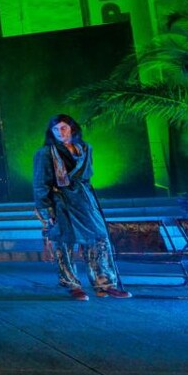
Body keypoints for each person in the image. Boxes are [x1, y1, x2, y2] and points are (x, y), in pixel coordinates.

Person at [33, 114, 129, 300]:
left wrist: (90, 200)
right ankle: (73, 285)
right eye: (55, 129)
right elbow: (40, 183)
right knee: (64, 244)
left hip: (84, 201)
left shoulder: (85, 148)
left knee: (99, 239)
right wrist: (46, 210)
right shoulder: (45, 153)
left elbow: (87, 176)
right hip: (61, 201)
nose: (60, 132)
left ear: (72, 128)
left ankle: (105, 284)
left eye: (63, 128)